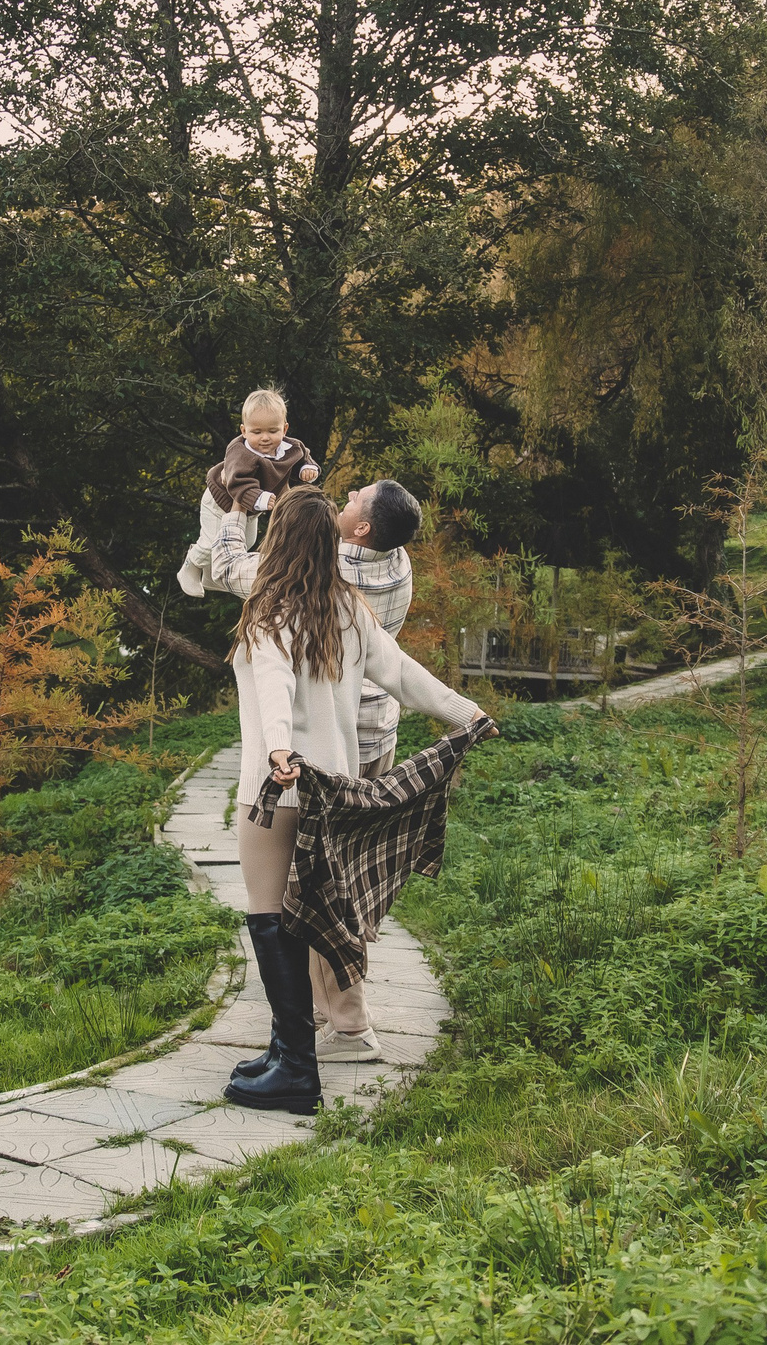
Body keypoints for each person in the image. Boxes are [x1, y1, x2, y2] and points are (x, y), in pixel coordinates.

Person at [212, 486, 490, 1114]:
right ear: (328, 543)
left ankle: (295, 1067)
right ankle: (289, 1047)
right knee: (310, 912)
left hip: (277, 789)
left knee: (269, 916)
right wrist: (465, 714)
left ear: (278, 540)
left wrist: (281, 750)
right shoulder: (349, 609)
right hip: (333, 791)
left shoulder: (268, 613)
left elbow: (274, 684)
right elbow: (404, 675)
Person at [203, 476, 424, 1061]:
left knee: (306, 895)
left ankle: (340, 1026)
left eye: (355, 500)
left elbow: (227, 570)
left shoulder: (308, 580)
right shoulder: (394, 567)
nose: (346, 493)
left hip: (313, 757)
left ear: (360, 531)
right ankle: (331, 1021)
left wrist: (234, 505)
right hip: (371, 743)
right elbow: (401, 671)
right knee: (336, 886)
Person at [175, 387, 318, 598]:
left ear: (284, 429)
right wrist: (259, 498)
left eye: (272, 431)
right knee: (211, 542)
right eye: (256, 432)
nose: (265, 438)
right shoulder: (239, 451)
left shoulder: (292, 447)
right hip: (220, 502)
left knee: (246, 542)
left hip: (253, 508)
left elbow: (302, 459)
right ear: (244, 431)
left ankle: (210, 578)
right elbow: (236, 482)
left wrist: (307, 469)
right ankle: (190, 565)